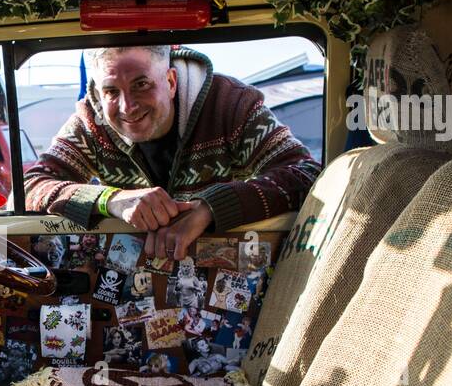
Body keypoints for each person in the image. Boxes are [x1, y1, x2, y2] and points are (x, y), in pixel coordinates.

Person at [24, 45, 321, 259]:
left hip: (227, 273)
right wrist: (111, 199)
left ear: (170, 81)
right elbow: (32, 185)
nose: (127, 107)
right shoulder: (92, 120)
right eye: (112, 91)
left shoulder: (230, 105)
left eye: (141, 84)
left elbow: (306, 174)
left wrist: (211, 208)